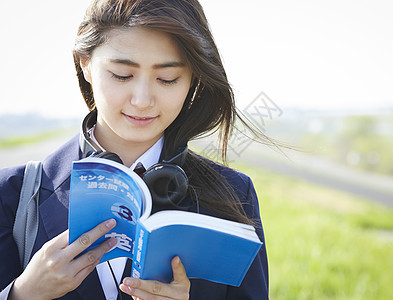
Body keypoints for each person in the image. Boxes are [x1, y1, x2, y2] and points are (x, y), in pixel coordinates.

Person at [0, 0, 268, 299]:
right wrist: (22, 293)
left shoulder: (234, 193)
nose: (142, 100)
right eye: (122, 75)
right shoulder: (11, 194)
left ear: (192, 78)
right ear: (84, 63)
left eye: (167, 79)